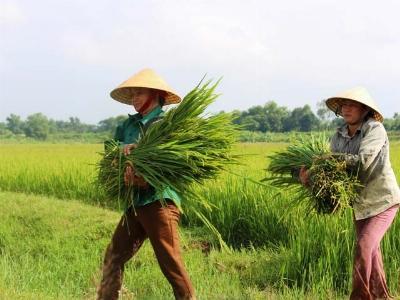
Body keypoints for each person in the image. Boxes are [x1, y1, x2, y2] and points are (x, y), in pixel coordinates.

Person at [97, 68, 196, 300]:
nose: (134, 99)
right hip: (135, 202)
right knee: (113, 256)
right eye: (132, 94)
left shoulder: (166, 125)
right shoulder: (129, 125)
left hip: (159, 202)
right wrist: (120, 151)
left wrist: (144, 171)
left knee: (170, 262)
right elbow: (109, 149)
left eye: (139, 93)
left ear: (155, 94)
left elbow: (174, 162)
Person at [299, 86, 400, 300]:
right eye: (344, 104)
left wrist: (328, 160)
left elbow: (363, 163)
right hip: (360, 203)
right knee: (371, 251)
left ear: (364, 109)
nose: (346, 108)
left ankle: (359, 297)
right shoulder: (338, 136)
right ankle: (382, 296)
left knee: (364, 246)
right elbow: (332, 177)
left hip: (383, 199)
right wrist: (310, 180)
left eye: (352, 104)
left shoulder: (375, 129)